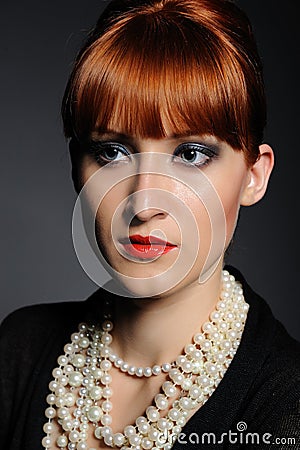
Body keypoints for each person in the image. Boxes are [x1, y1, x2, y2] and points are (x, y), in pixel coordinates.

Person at [1, 0, 299, 449]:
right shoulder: (17, 352)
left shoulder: (285, 405)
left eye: (191, 154)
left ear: (254, 176)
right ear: (75, 168)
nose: (144, 204)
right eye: (112, 152)